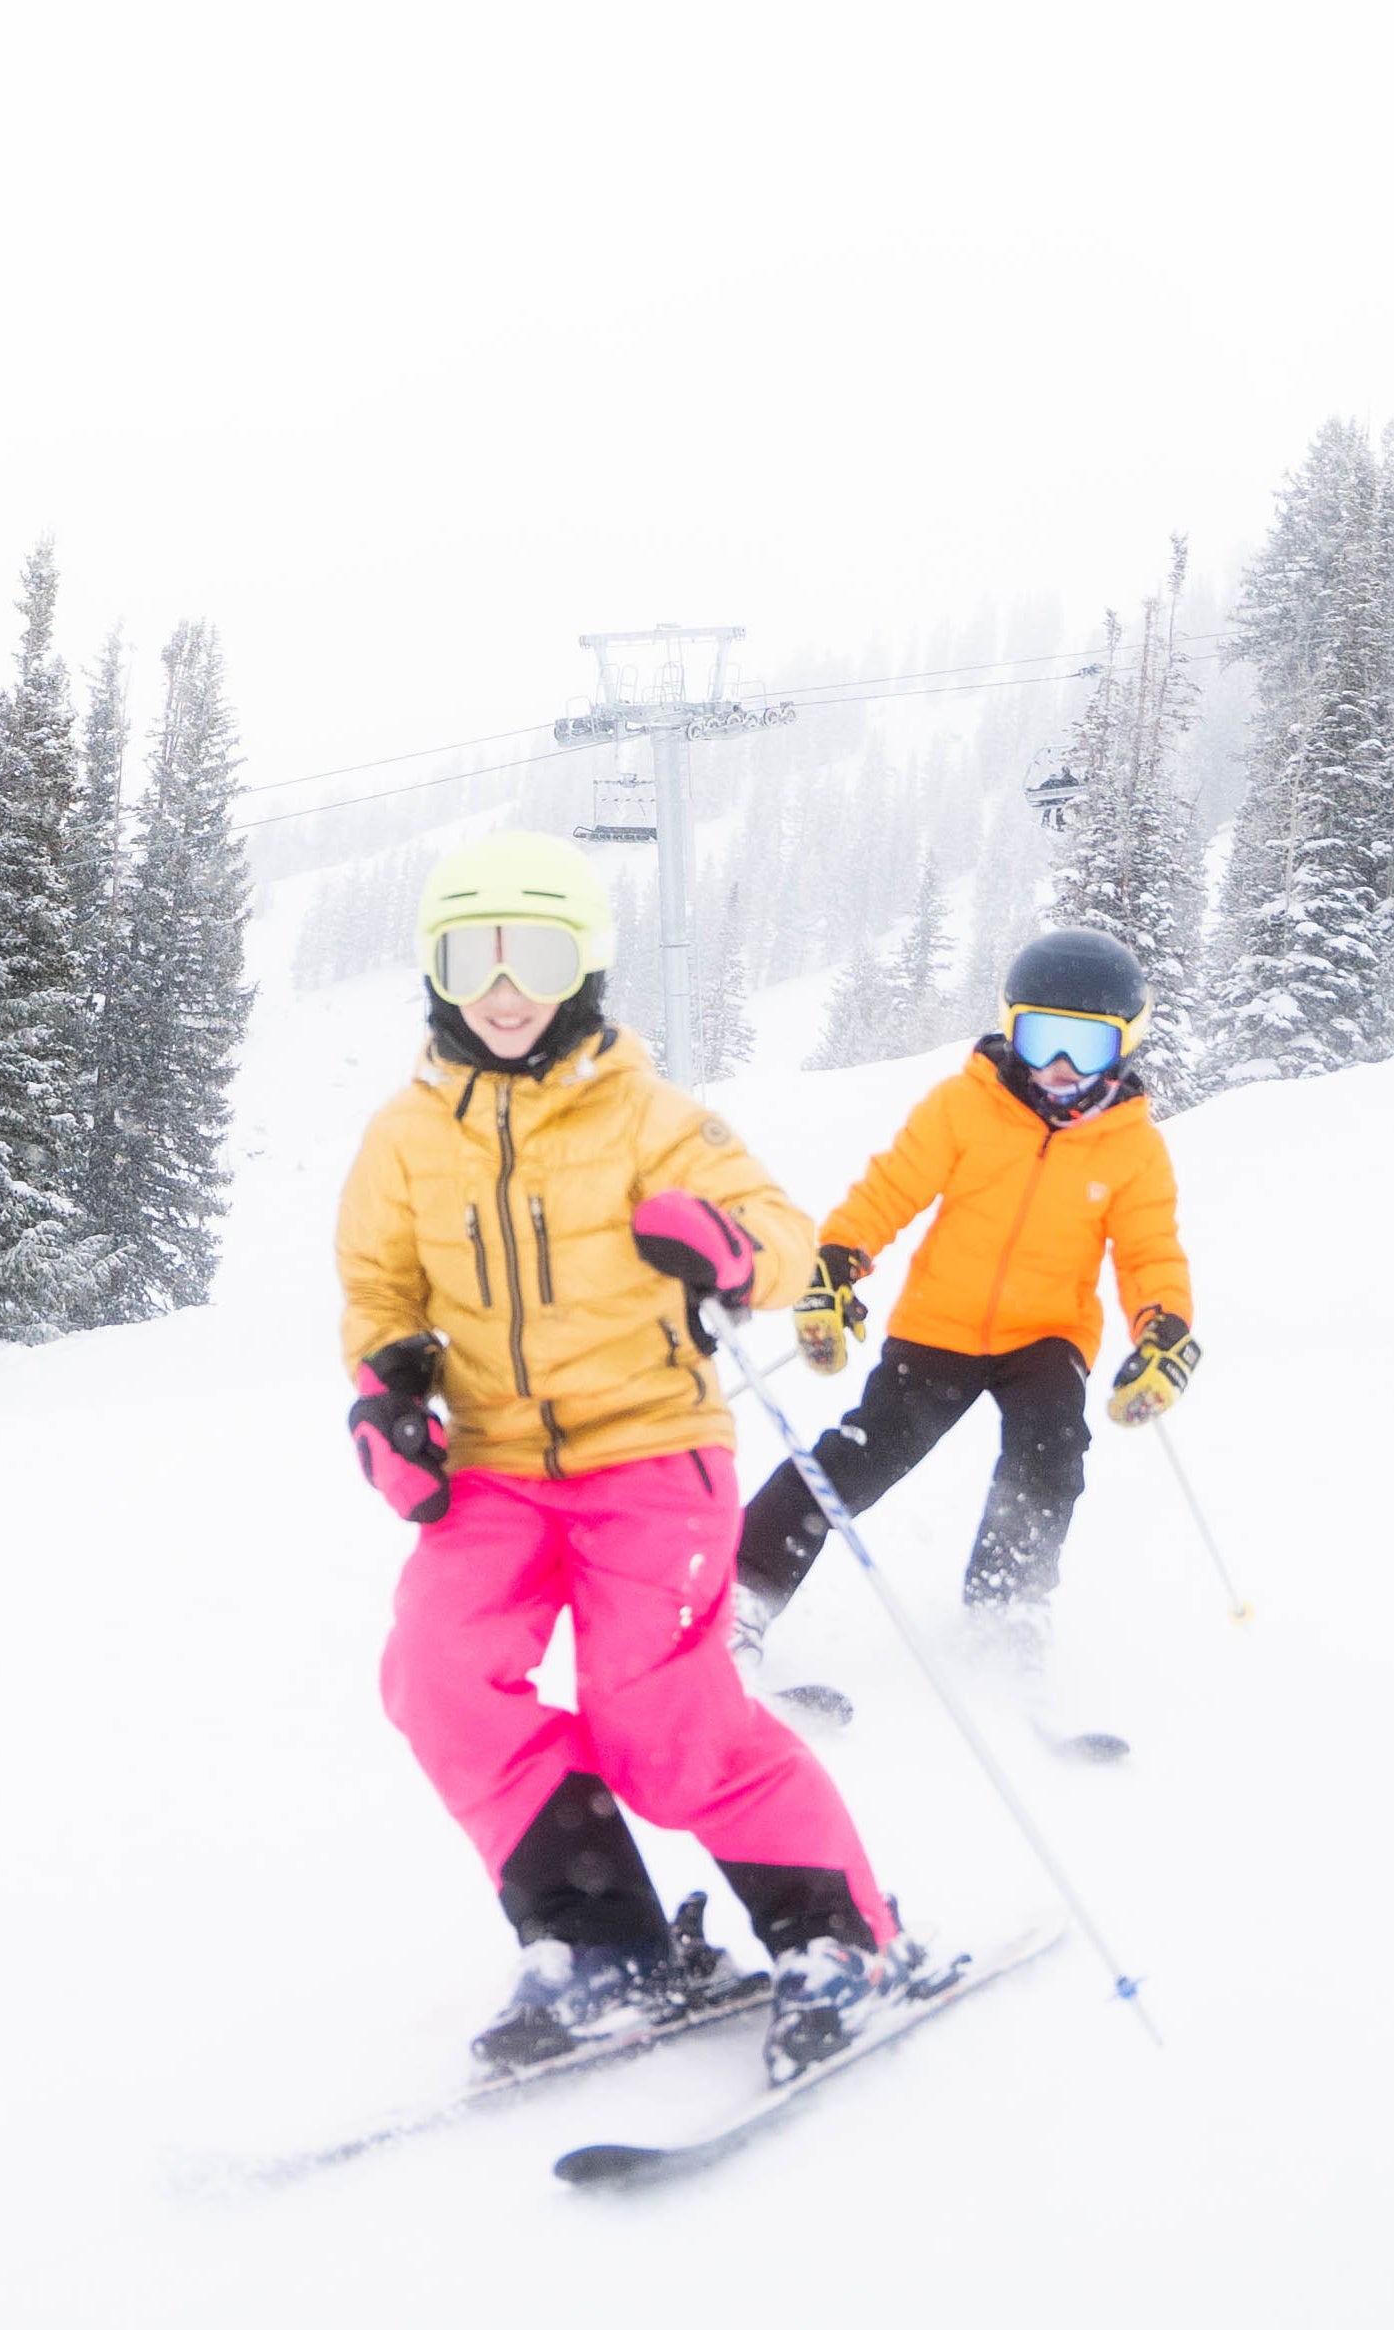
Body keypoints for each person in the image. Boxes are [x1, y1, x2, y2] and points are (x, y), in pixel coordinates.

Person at [334, 831, 913, 2086]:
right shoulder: (402, 1138)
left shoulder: (651, 1116)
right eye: (471, 958)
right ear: (433, 968)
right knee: (437, 1674)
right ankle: (603, 1944)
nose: (504, 990)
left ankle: (837, 1934)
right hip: (493, 1465)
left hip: (650, 1452)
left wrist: (728, 1250)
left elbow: (778, 1230)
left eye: (534, 957)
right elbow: (380, 1290)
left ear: (585, 965)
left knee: (658, 1720)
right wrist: (386, 1399)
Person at [731, 926, 1197, 1693]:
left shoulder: (1131, 1147)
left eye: (1086, 1044)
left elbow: (1149, 1251)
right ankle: (742, 1587)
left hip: (1046, 1335)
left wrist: (1163, 1326)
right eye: (1041, 1037)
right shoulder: (964, 1105)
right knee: (862, 1453)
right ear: (1010, 1028)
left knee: (1050, 1454)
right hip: (939, 1325)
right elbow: (890, 1188)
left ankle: (1007, 1602)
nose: (1059, 1064)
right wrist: (839, 1258)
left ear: (1125, 1044)